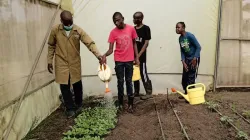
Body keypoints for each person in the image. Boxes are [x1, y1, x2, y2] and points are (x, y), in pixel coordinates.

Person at [47, 10, 102, 118]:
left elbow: (89, 43)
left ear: (72, 18)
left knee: (77, 84)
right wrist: (49, 61)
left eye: (70, 22)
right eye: (66, 23)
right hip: (61, 61)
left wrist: (98, 56)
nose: (69, 25)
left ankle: (79, 104)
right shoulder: (55, 30)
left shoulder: (77, 30)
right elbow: (51, 46)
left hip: (74, 61)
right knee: (64, 85)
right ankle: (70, 108)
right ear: (61, 20)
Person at [101, 12, 140, 113]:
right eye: (115, 21)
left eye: (118, 20)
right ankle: (121, 104)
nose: (116, 23)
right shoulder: (113, 32)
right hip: (119, 60)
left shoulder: (131, 29)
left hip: (129, 60)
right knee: (120, 82)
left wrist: (137, 58)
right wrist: (104, 55)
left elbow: (134, 44)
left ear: (123, 18)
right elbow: (110, 49)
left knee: (129, 82)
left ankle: (131, 104)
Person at [175, 22, 201, 100]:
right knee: (185, 78)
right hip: (186, 59)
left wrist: (195, 58)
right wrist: (183, 61)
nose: (176, 29)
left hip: (193, 59)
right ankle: (186, 94)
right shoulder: (180, 38)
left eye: (178, 27)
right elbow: (182, 51)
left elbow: (198, 47)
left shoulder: (190, 36)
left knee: (191, 78)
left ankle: (191, 96)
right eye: (176, 27)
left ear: (183, 28)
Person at [133, 11, 153, 100]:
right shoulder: (132, 29)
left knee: (143, 73)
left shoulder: (146, 28)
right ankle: (136, 92)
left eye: (136, 18)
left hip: (142, 57)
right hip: (132, 57)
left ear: (141, 19)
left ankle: (148, 92)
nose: (134, 19)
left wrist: (139, 56)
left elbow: (146, 43)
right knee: (135, 74)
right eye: (134, 18)